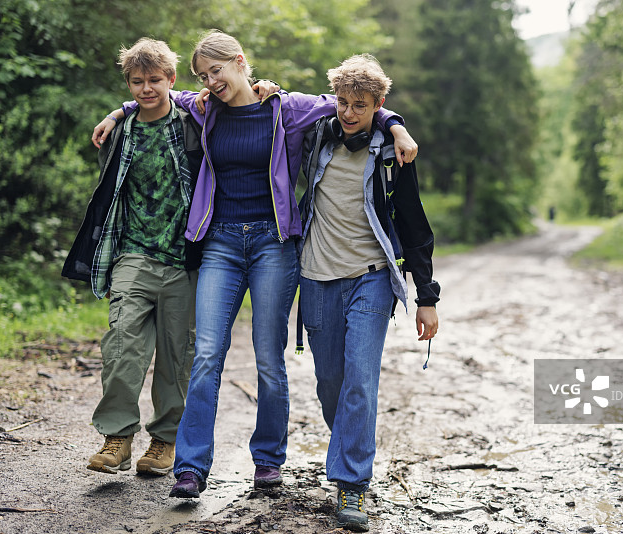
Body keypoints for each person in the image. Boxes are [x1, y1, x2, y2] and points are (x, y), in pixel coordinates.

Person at [94, 30, 419, 499]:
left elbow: (351, 103)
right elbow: (158, 94)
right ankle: (190, 468)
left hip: (273, 245)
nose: (211, 82)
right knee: (206, 354)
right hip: (221, 245)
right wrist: (117, 111)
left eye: (217, 71)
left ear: (240, 62)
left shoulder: (286, 107)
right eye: (204, 76)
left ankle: (267, 461)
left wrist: (397, 125)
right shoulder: (205, 108)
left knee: (270, 360)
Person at [297, 54, 440, 532]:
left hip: (371, 277)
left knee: (360, 379)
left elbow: (415, 225)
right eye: (343, 102)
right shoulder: (317, 135)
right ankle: (348, 450)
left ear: (377, 105)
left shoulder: (391, 155)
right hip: (317, 277)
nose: (349, 112)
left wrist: (427, 297)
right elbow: (282, 109)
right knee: (330, 384)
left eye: (361, 104)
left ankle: (352, 485)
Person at [62, 38, 204, 477]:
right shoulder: (120, 131)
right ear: (128, 83)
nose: (146, 89)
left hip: (184, 260)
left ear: (171, 80)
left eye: (154, 80)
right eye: (137, 82)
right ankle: (118, 437)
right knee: (122, 347)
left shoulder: (193, 125)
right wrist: (117, 113)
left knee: (177, 358)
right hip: (133, 255)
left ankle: (163, 443)